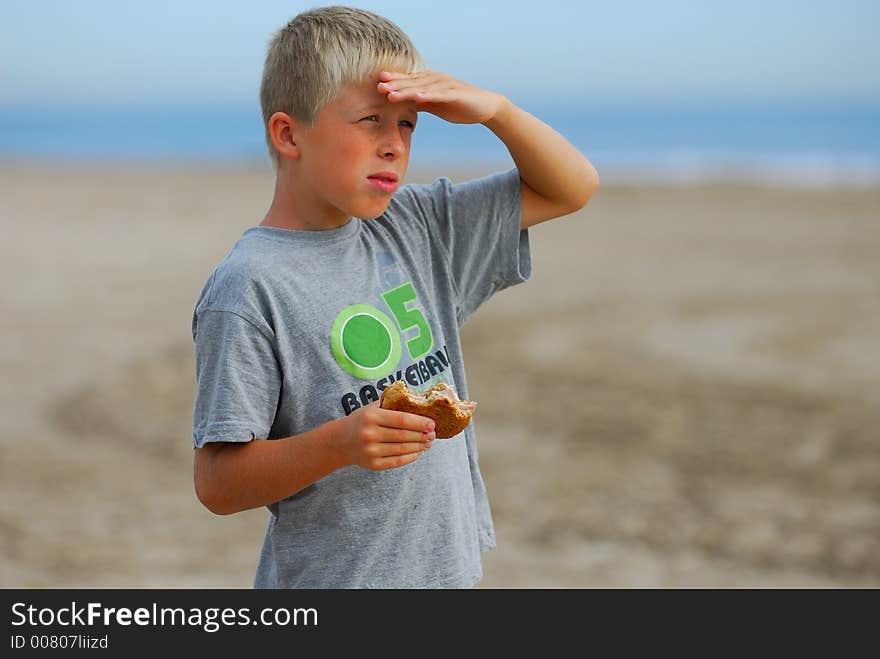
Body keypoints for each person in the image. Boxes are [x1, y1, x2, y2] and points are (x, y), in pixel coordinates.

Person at [191, 5, 599, 588]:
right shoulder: (249, 287)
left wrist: (497, 113)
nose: (394, 146)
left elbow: (573, 186)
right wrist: (340, 442)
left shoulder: (417, 225)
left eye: (408, 123)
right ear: (289, 134)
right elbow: (218, 483)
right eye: (370, 120)